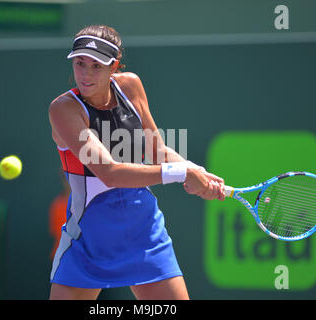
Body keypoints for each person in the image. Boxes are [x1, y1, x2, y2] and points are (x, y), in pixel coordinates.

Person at [48, 25, 225, 300]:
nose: (85, 74)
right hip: (89, 240)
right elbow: (110, 173)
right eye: (80, 63)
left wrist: (196, 171)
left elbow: (156, 151)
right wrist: (182, 173)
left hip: (143, 233)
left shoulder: (130, 86)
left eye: (96, 66)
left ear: (114, 66)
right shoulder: (63, 109)